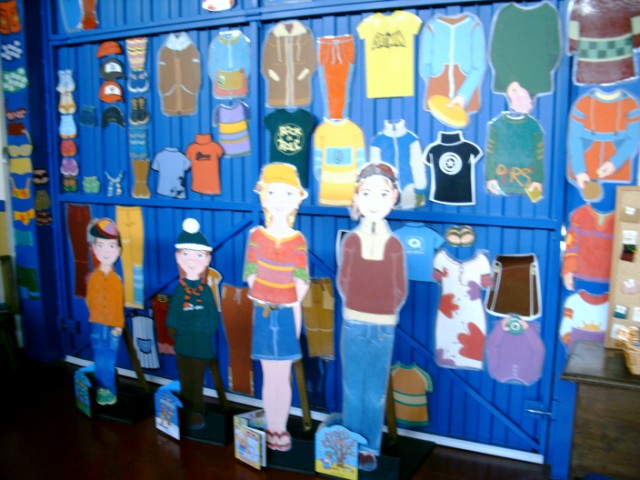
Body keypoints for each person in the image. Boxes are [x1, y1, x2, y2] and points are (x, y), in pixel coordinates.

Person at [337, 162, 407, 471]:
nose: (374, 201)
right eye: (366, 193)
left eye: (382, 194)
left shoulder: (395, 244)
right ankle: (352, 443)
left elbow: (400, 287)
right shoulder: (351, 240)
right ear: (357, 197)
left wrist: (387, 309)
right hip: (353, 322)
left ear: (393, 197)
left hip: (383, 326)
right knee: (353, 388)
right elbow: (343, 280)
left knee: (375, 392)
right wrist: (356, 305)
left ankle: (369, 448)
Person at [243, 163, 310, 452]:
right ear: (263, 197)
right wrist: (263, 295)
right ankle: (271, 427)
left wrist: (292, 309)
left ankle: (280, 428)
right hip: (262, 311)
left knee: (282, 375)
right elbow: (250, 272)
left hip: (286, 314)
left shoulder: (299, 240)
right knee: (269, 375)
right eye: (273, 193)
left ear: (297, 200)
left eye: (287, 193)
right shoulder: (256, 236)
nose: (280, 199)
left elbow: (302, 280)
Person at [166, 218, 220, 429]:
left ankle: (196, 411)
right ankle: (186, 409)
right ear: (178, 257)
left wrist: (205, 330)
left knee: (196, 380)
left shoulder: (205, 290)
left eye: (198, 255)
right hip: (183, 343)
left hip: (201, 344)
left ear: (207, 260)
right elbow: (173, 312)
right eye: (186, 254)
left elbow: (213, 316)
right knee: (184, 377)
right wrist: (173, 328)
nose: (192, 260)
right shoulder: (180, 289)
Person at [85, 218, 124, 406]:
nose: (106, 251)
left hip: (112, 327)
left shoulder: (116, 280)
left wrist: (118, 325)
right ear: (94, 249)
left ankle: (109, 390)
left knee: (109, 360)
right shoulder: (94, 278)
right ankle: (102, 390)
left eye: (111, 246)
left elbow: (118, 303)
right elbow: (90, 300)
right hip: (98, 325)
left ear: (118, 251)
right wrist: (97, 315)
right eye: (100, 246)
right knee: (100, 359)